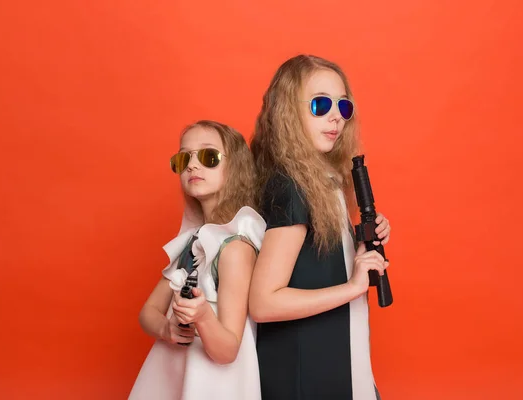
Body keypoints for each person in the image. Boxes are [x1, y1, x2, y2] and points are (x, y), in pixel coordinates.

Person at [249, 55, 392, 400]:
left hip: (333, 357)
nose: (335, 116)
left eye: (344, 107)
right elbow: (263, 303)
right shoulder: (291, 186)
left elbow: (312, 264)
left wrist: (360, 243)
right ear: (287, 110)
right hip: (305, 371)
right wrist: (354, 286)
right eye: (321, 104)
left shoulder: (321, 180)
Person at [129, 120, 264, 400]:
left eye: (208, 157)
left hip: (213, 385)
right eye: (183, 158)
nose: (192, 165)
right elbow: (148, 312)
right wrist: (167, 328)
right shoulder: (193, 242)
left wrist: (202, 316)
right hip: (172, 375)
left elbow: (227, 351)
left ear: (235, 167)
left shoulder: (235, 248)